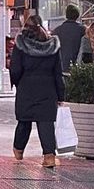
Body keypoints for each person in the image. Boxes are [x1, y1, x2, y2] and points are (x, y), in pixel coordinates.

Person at [10, 13, 65, 167]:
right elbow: (58, 73)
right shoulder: (52, 45)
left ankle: (18, 151)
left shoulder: (21, 44)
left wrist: (17, 83)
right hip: (48, 89)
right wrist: (61, 94)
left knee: (24, 121)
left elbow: (15, 69)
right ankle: (49, 157)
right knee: (46, 123)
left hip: (26, 87)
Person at [53, 3, 85, 73]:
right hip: (79, 68)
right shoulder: (83, 30)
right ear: (77, 15)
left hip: (61, 67)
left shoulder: (57, 31)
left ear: (66, 15)